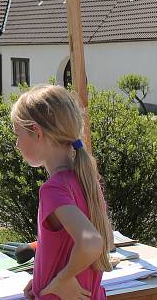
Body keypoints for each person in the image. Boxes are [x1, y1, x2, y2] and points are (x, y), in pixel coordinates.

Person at [11, 85, 113, 300]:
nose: (17, 144)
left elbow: (91, 241)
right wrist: (42, 277)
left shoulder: (53, 190)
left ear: (37, 131)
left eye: (18, 134)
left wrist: (63, 279)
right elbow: (69, 245)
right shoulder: (85, 180)